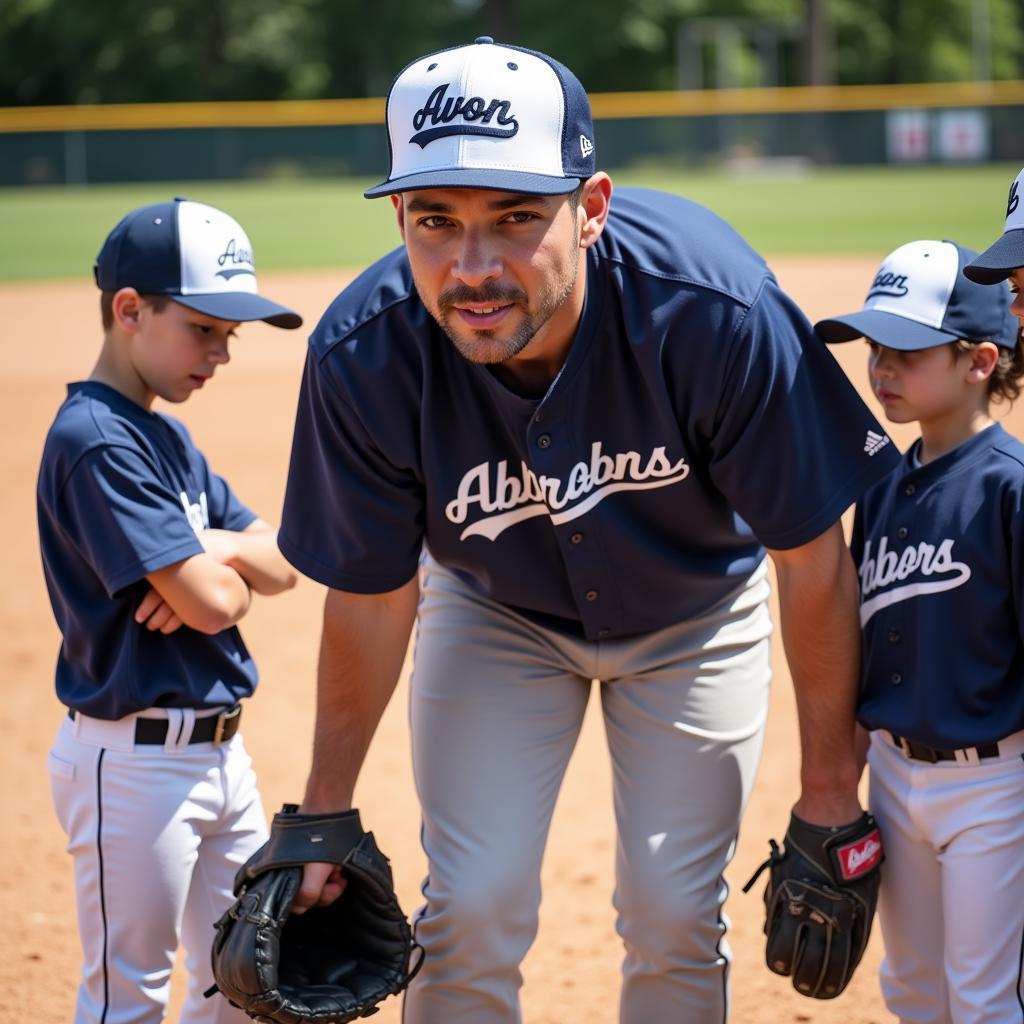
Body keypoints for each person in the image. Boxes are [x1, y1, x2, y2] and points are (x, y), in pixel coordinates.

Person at [277, 37, 900, 1023]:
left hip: (697, 610)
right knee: (469, 909)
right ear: (399, 216)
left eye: (516, 218)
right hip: (496, 612)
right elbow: (370, 589)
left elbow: (808, 553)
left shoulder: (715, 310)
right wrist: (321, 809)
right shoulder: (365, 354)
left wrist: (828, 784)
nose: (470, 267)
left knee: (671, 915)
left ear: (592, 207)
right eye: (435, 221)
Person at [38, 197, 303, 1024]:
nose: (223, 352)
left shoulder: (166, 438)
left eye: (231, 334)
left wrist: (207, 550)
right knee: (130, 997)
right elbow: (223, 605)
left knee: (241, 983)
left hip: (223, 754)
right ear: (129, 311)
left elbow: (282, 561)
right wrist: (219, 564)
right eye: (205, 327)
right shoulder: (96, 441)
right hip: (136, 763)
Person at [815, 234, 1023, 1021]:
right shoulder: (881, 487)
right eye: (876, 347)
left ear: (978, 362)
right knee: (911, 989)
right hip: (897, 778)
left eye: (907, 349)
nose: (882, 368)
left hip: (996, 785)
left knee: (984, 995)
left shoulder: (1010, 491)